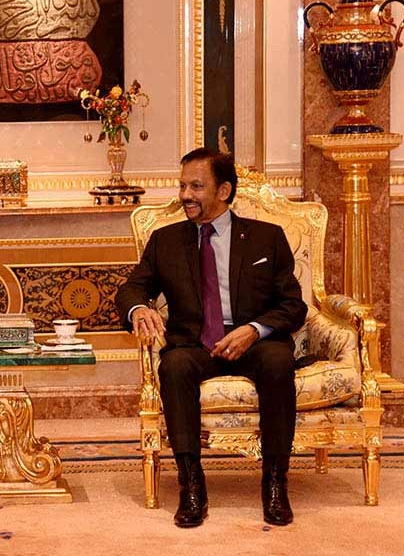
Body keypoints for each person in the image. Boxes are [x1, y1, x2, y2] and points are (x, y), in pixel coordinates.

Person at [115, 148, 307, 528]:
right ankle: (191, 485)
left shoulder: (267, 238)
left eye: (196, 186)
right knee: (173, 365)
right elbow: (131, 289)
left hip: (254, 342)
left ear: (223, 190)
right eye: (183, 185)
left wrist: (253, 330)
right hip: (195, 344)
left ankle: (274, 483)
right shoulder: (165, 241)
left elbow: (293, 305)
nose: (185, 194)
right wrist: (140, 309)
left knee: (278, 361)